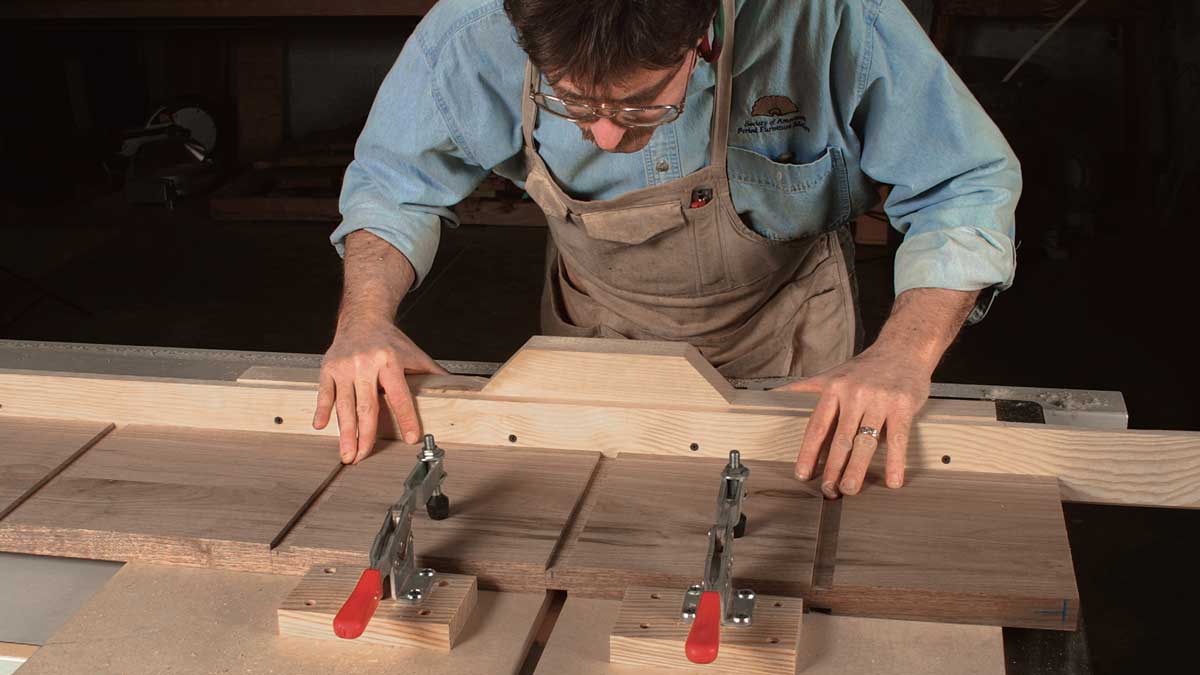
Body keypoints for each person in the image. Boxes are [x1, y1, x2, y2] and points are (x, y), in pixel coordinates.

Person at [313, 0, 1021, 500]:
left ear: (703, 35)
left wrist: (905, 354)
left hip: (790, 344)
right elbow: (394, 183)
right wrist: (364, 317)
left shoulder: (831, 17)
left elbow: (963, 183)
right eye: (574, 105)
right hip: (594, 336)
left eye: (639, 104)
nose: (607, 137)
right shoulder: (473, 29)